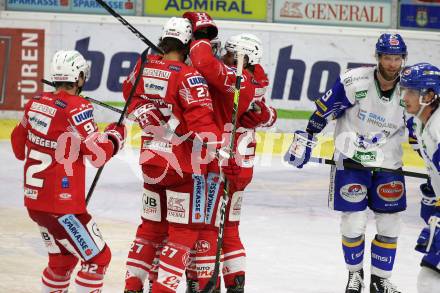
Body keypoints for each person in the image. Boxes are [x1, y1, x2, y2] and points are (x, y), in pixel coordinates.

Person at [284, 33, 408, 293]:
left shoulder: (410, 88)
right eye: (388, 58)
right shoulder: (355, 81)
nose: (393, 64)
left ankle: (380, 280)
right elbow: (325, 110)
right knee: (353, 222)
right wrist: (307, 137)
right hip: (352, 161)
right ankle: (355, 275)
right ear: (378, 57)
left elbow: (419, 127)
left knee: (390, 223)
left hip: (389, 163)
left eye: (397, 58)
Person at [122, 17, 236, 293]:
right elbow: (202, 124)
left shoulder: (143, 66)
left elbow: (129, 97)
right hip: (182, 168)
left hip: (150, 162)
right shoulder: (188, 76)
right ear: (187, 45)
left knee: (150, 228)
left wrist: (147, 115)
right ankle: (164, 289)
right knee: (183, 233)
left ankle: (132, 285)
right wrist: (220, 146)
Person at [10, 50, 126, 292]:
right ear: (80, 77)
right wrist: (116, 135)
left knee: (62, 261)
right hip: (63, 209)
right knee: (97, 260)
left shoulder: (35, 104)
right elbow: (99, 154)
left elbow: (19, 149)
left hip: (36, 204)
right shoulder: (78, 107)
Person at [184, 12, 277, 292]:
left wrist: (200, 40)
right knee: (230, 229)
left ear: (244, 58)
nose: (224, 56)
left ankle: (201, 284)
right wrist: (264, 115)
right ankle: (234, 286)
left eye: (229, 53)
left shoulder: (239, 81)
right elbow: (267, 114)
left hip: (224, 165)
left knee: (205, 228)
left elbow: (204, 64)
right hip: (239, 168)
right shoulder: (252, 82)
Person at [400, 62, 440, 293]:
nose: (405, 97)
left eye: (412, 92)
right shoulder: (418, 122)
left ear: (430, 95)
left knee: (428, 280)